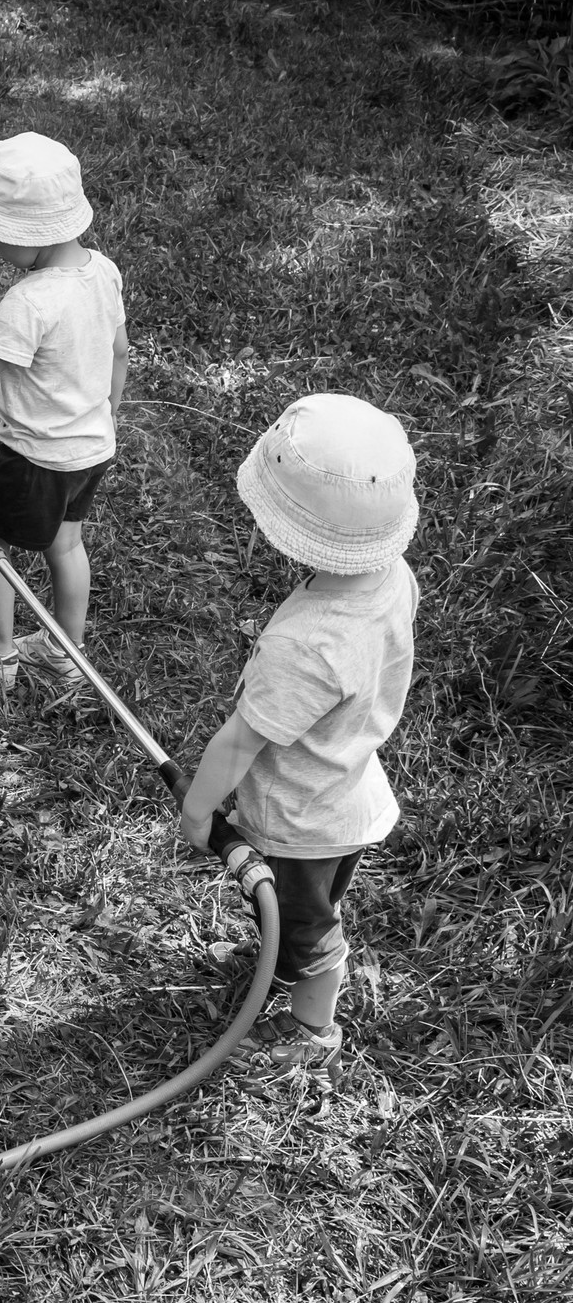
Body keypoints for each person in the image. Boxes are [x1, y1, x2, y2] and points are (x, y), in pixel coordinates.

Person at [181, 395, 421, 1076]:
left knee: (314, 931)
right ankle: (288, 949)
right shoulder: (392, 578)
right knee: (313, 901)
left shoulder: (307, 646)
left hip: (300, 818)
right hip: (346, 788)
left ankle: (312, 1025)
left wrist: (199, 810)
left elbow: (239, 742)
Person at [0, 133, 128, 695]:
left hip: (35, 455)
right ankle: (68, 654)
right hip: (93, 448)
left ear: (25, 236)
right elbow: (119, 352)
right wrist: (106, 416)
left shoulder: (30, 301)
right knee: (66, 545)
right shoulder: (103, 271)